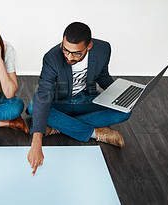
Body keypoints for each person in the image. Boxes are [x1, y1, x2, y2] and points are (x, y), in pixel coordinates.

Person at [27, 22, 131, 175]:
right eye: (65, 50)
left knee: (125, 111)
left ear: (89, 46)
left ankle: (58, 126)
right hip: (59, 101)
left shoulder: (103, 49)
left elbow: (103, 76)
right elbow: (43, 96)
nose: (69, 57)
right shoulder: (52, 57)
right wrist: (36, 143)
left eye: (76, 53)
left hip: (85, 99)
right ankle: (96, 133)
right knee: (33, 106)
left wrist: (124, 95)